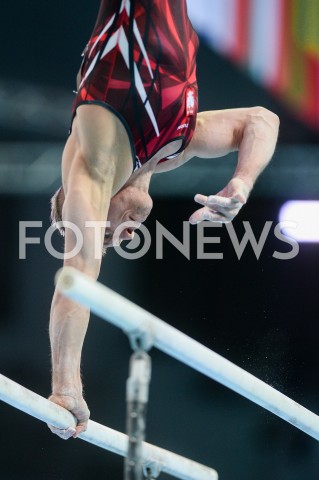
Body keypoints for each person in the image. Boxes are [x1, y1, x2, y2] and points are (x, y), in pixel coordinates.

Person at [48, 0, 279, 439]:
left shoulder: (91, 170)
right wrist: (243, 183)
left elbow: (76, 282)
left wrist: (66, 388)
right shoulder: (174, 147)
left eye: (107, 231)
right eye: (117, 240)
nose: (120, 236)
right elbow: (260, 120)